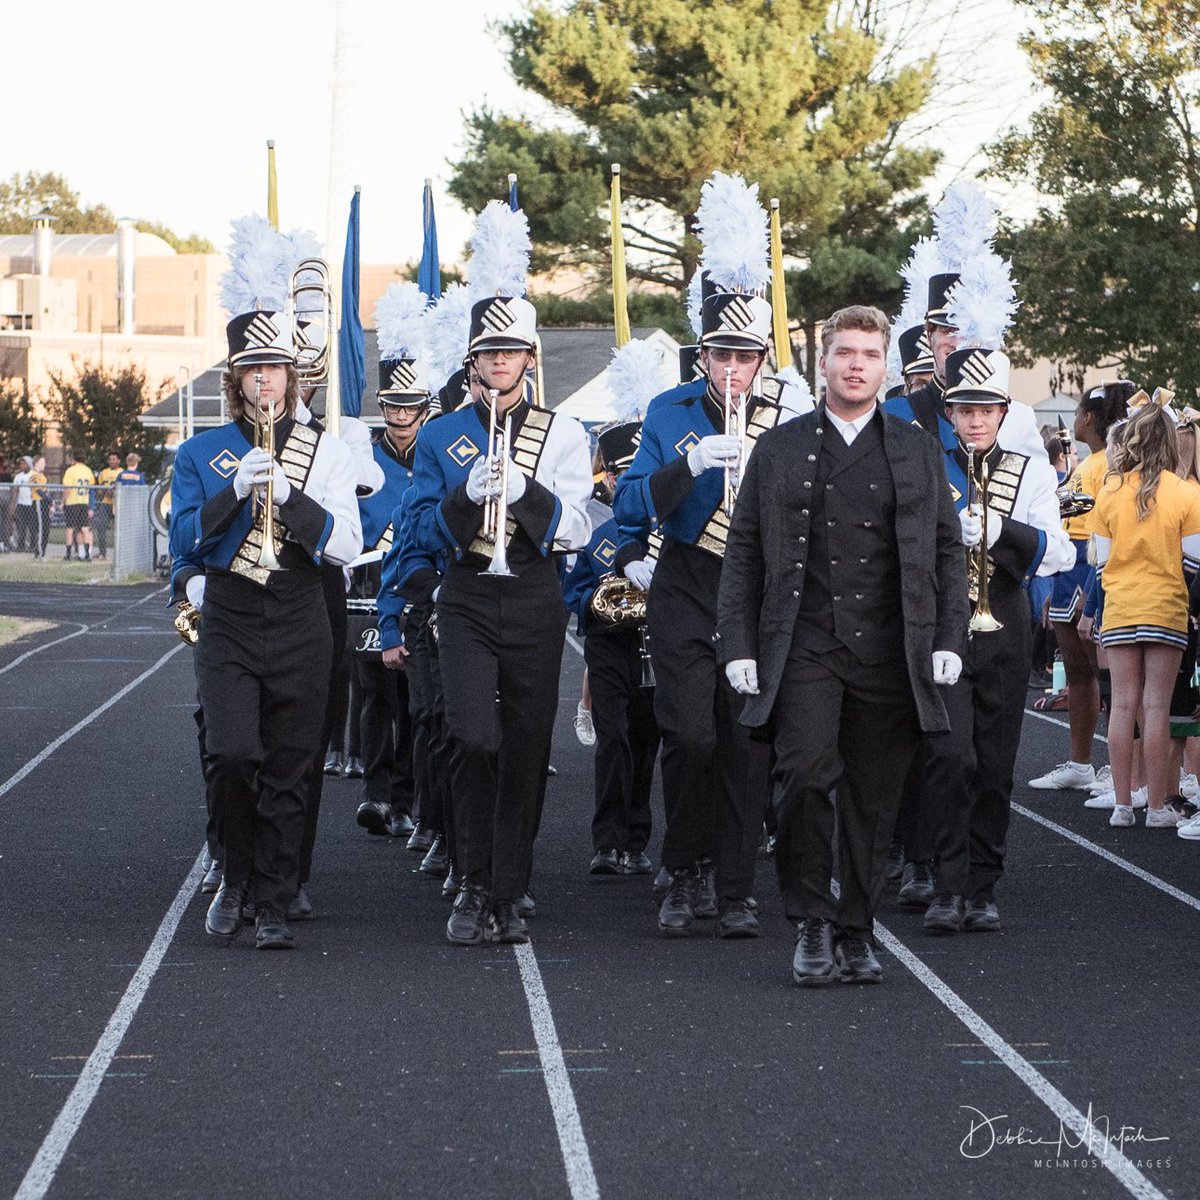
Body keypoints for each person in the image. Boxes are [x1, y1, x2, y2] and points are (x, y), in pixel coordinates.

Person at [717, 305, 968, 986]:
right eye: (844, 353)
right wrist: (737, 642)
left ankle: (857, 928)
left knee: (874, 799)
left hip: (892, 650)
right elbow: (743, 550)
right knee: (802, 777)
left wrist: (949, 635)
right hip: (805, 643)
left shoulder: (918, 447)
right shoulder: (779, 445)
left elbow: (948, 549)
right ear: (822, 362)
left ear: (885, 367)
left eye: (869, 354)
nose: (856, 364)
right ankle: (810, 921)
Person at [169, 301, 362, 949]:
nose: (265, 381)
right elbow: (187, 539)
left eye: (275, 368)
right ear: (235, 379)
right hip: (229, 612)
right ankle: (234, 872)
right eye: (252, 370)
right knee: (231, 753)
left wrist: (289, 496)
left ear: (292, 376)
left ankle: (274, 902)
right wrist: (233, 493)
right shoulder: (200, 452)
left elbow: (343, 544)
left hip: (301, 611)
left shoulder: (326, 454)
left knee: (288, 766)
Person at [406, 291, 592, 945]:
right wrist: (465, 496)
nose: (502, 361)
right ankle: (472, 882)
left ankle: (507, 892)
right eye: (490, 351)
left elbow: (575, 530)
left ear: (529, 358)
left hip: (536, 595)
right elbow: (422, 528)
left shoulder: (564, 433)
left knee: (525, 748)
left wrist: (524, 491)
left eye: (512, 350)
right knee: (472, 738)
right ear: (473, 361)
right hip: (465, 597)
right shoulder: (438, 435)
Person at [614, 289, 788, 939]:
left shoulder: (788, 417)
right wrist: (687, 465)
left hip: (757, 588)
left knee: (745, 744)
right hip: (686, 582)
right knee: (689, 736)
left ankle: (736, 887)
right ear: (703, 358)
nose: (733, 369)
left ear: (764, 360)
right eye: (722, 355)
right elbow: (631, 505)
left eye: (746, 356)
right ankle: (684, 867)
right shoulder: (668, 412)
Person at [921, 348, 1074, 934]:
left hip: (1005, 621)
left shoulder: (1031, 470)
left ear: (1004, 410)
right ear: (949, 412)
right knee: (948, 757)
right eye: (964, 409)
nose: (975, 419)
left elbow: (1060, 553)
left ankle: (983, 885)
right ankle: (945, 882)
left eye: (986, 408)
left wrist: (1001, 529)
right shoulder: (930, 464)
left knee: (995, 763)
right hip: (943, 624)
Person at [1090, 398, 1200, 829]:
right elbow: (1194, 563)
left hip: (1119, 606)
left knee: (1122, 706)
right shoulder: (1185, 492)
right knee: (1156, 708)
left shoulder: (1110, 490)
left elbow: (1099, 562)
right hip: (1166, 607)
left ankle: (1122, 805)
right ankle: (1156, 807)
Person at [563, 420, 659, 877]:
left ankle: (637, 839)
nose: (622, 483)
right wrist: (601, 598)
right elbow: (571, 592)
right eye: (617, 474)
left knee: (646, 740)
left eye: (632, 474)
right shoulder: (593, 526)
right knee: (613, 737)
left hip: (656, 645)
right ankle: (606, 841)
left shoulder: (664, 527)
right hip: (607, 643)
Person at [1029, 381, 1135, 789]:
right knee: (1077, 673)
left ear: (1089, 419)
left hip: (1089, 568)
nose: (1072, 422)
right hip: (1069, 568)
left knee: (1106, 676)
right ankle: (1080, 762)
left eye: (1076, 414)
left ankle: (1118, 766)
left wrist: (1089, 589)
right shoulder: (1089, 463)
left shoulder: (1108, 462)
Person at [61, 450, 96, 561]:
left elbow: (68, 488)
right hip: (83, 502)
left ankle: (68, 554)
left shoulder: (70, 471)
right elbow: (91, 486)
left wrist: (63, 501)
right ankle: (87, 554)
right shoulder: (88, 470)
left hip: (72, 502)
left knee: (70, 528)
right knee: (84, 527)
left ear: (74, 458)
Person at [95, 451, 122, 560]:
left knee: (120, 528)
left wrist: (112, 489)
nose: (112, 461)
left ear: (119, 460)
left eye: (114, 459)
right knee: (101, 527)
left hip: (118, 503)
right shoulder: (103, 473)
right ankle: (102, 552)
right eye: (110, 459)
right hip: (105, 503)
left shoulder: (121, 472)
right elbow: (100, 488)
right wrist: (105, 491)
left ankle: (120, 553)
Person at [12, 456, 35, 553]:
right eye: (20, 464)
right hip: (21, 504)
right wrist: (13, 505)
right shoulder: (18, 476)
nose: (21, 465)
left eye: (24, 463)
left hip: (31, 504)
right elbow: (15, 491)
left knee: (32, 526)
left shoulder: (34, 475)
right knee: (21, 526)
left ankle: (33, 546)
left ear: (29, 464)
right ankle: (20, 546)